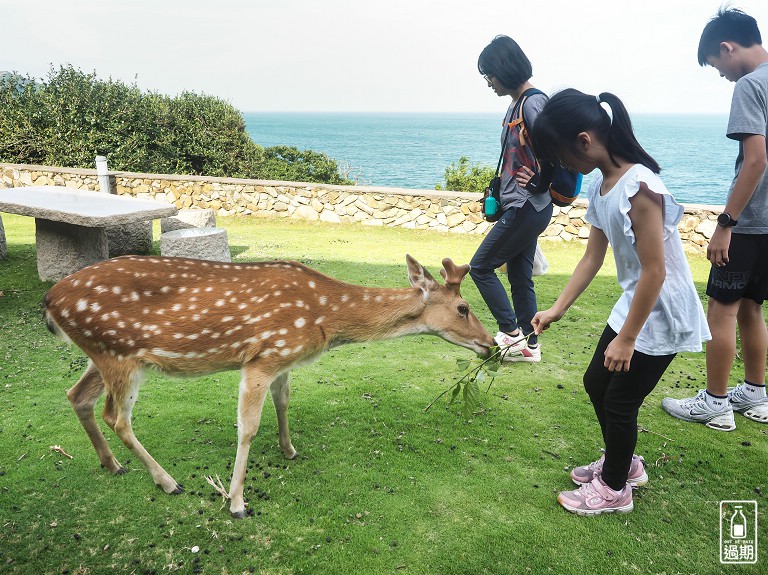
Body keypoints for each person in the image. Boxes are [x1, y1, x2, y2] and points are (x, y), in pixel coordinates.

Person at [529, 89, 710, 515]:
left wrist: (627, 339)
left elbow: (656, 271)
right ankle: (623, 464)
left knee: (620, 401)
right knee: (597, 382)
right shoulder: (602, 185)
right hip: (636, 302)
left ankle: (614, 490)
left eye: (559, 153)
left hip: (662, 310)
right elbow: (593, 257)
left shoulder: (641, 187)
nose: (560, 165)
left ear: (584, 140)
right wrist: (557, 308)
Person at [661, 8, 768, 431]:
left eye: (716, 65)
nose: (721, 74)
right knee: (752, 308)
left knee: (721, 310)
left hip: (751, 222)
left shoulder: (749, 86)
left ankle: (716, 402)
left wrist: (726, 223)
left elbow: (755, 161)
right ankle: (756, 394)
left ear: (727, 47)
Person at [469, 35, 552, 363]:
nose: (488, 81)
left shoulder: (533, 102)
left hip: (528, 206)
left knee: (480, 266)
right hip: (520, 205)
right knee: (519, 276)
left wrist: (537, 183)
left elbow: (553, 153)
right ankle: (530, 347)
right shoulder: (516, 104)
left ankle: (512, 334)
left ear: (504, 69)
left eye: (489, 73)